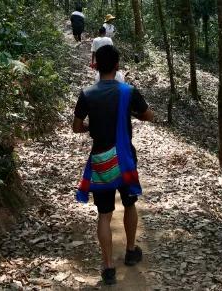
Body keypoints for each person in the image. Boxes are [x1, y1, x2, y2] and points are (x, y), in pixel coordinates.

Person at [73, 44, 154, 286]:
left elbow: (76, 127)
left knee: (104, 214)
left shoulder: (87, 94)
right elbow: (149, 115)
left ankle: (108, 267)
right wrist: (133, 114)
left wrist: (91, 127)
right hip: (125, 159)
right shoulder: (128, 91)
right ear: (117, 66)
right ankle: (130, 250)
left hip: (101, 161)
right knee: (129, 205)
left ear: (95, 65)